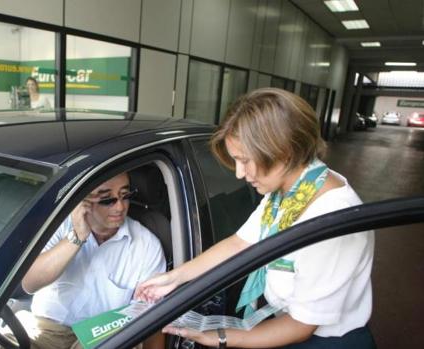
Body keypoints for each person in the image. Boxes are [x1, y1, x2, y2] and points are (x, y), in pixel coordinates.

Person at [135, 88, 376, 349]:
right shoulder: (295, 189)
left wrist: (219, 337)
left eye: (245, 160)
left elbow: (301, 326)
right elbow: (241, 243)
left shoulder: (330, 220)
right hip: (285, 323)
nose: (239, 174)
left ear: (283, 152)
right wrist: (173, 278)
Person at [18, 171, 166, 349]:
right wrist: (77, 237)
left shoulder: (146, 245)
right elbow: (30, 283)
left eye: (125, 196)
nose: (119, 207)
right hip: (46, 329)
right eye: (107, 199)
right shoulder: (59, 225)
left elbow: (151, 319)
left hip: (101, 337)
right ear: (84, 201)